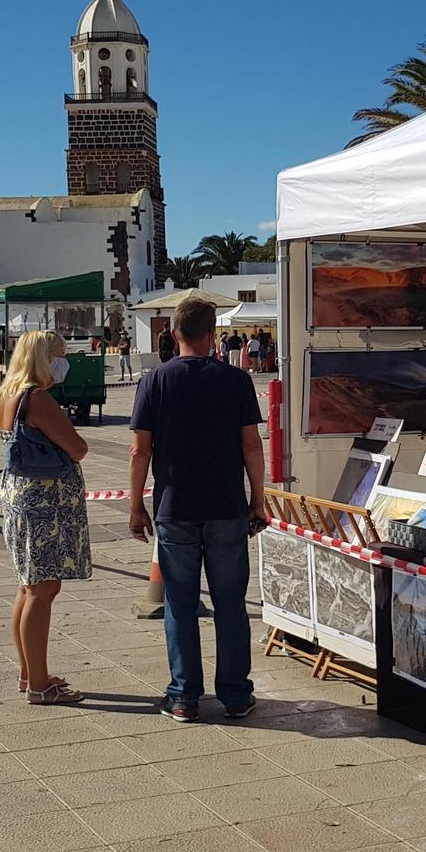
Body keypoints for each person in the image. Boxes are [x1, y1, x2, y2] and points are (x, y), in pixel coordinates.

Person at [128, 298, 265, 723]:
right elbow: (251, 446)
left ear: (174, 334)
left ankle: (184, 694)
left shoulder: (155, 381)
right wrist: (256, 500)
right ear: (212, 336)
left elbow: (139, 450)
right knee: (230, 604)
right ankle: (236, 694)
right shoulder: (237, 381)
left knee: (180, 604)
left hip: (176, 507)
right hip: (226, 507)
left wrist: (136, 505)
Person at [0, 330, 90, 706]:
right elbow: (78, 448)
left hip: (20, 495)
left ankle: (29, 672)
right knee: (42, 588)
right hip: (44, 502)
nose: (63, 363)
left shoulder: (7, 394)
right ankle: (39, 684)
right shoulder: (37, 399)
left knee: (28, 585)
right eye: (59, 356)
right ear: (42, 358)